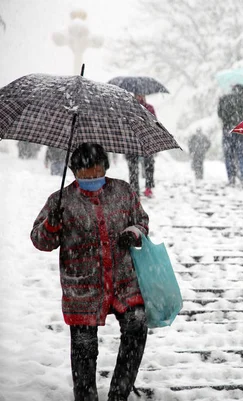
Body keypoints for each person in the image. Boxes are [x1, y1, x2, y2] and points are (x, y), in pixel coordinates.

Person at [30, 143, 149, 401]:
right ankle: (86, 396)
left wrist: (133, 233)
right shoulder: (60, 201)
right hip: (82, 287)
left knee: (137, 323)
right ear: (74, 172)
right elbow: (40, 241)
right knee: (84, 346)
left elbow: (142, 221)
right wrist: (52, 225)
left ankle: (120, 391)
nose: (92, 178)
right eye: (85, 174)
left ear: (105, 167)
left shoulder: (123, 191)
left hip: (123, 282)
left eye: (97, 172)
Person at [217, 83, 243, 188]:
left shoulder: (224, 99)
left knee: (229, 155)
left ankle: (231, 178)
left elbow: (220, 114)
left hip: (227, 129)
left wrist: (228, 120)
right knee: (242, 155)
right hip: (241, 130)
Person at [127, 94, 157, 197]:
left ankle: (148, 188)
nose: (139, 97)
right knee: (133, 167)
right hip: (132, 140)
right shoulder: (129, 107)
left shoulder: (149, 108)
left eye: (141, 95)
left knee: (149, 165)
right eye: (137, 95)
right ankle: (135, 189)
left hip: (146, 140)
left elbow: (154, 122)